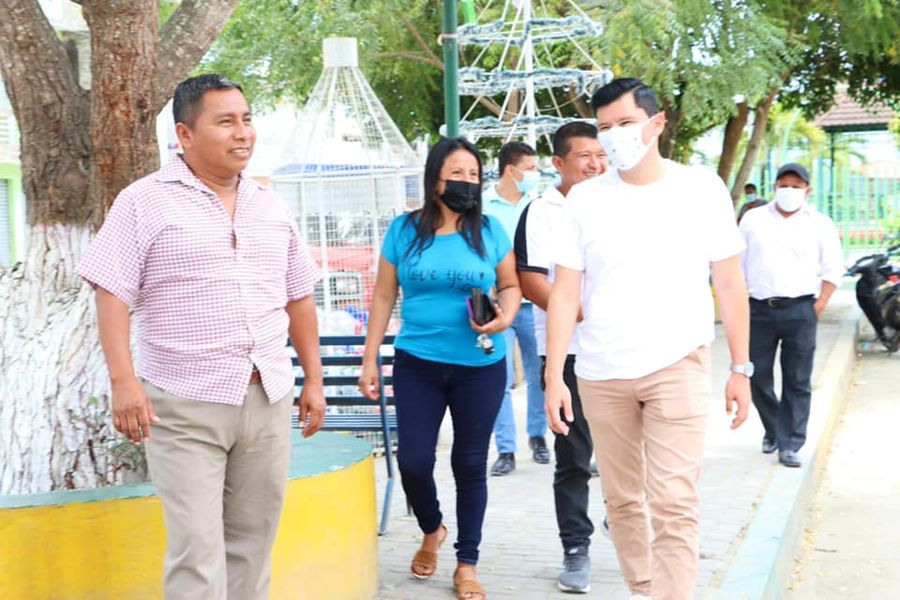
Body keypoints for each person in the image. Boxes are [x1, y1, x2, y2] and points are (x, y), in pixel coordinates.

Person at [77, 74, 326, 599]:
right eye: (226, 121)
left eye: (247, 119)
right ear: (185, 135)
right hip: (184, 403)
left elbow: (298, 296)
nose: (243, 133)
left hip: (267, 395)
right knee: (197, 552)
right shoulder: (143, 202)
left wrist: (314, 381)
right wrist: (124, 383)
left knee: (253, 544)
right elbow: (111, 292)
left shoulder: (269, 204)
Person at [543, 78, 752, 600]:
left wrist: (741, 368)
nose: (614, 136)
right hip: (601, 372)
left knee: (674, 500)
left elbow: (729, 282)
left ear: (656, 124)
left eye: (625, 123)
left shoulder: (700, 188)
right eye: (605, 127)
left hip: (677, 363)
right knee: (622, 500)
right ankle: (644, 588)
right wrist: (552, 377)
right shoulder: (584, 200)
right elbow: (564, 293)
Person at [358, 138, 521, 600]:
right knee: (413, 461)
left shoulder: (489, 230)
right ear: (435, 181)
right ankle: (432, 528)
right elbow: (383, 295)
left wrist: (505, 317)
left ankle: (467, 564)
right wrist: (369, 358)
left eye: (474, 175)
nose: (467, 182)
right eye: (457, 174)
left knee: (469, 464)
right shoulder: (403, 230)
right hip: (418, 363)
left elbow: (510, 285)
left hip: (480, 364)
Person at [515, 121, 608, 593]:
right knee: (573, 456)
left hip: (621, 348)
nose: (596, 165)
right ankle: (576, 548)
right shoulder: (542, 211)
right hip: (566, 352)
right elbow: (532, 282)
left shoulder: (619, 203)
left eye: (601, 155)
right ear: (558, 163)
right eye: (585, 156)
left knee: (634, 450)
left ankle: (624, 515)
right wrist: (582, 311)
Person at [739, 163, 843, 468]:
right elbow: (738, 265)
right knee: (756, 374)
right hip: (758, 309)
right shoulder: (753, 219)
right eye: (784, 184)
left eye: (796, 186)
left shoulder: (820, 224)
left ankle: (790, 444)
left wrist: (819, 305)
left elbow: (833, 268)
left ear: (807, 190)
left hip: (800, 309)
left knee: (797, 379)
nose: (789, 190)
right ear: (774, 187)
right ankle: (774, 428)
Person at [482, 140, 549, 476]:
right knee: (500, 378)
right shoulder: (483, 207)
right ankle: (505, 449)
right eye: (531, 168)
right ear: (511, 170)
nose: (536, 174)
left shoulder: (540, 204)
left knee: (540, 374)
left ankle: (538, 436)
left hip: (534, 303)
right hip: (497, 305)